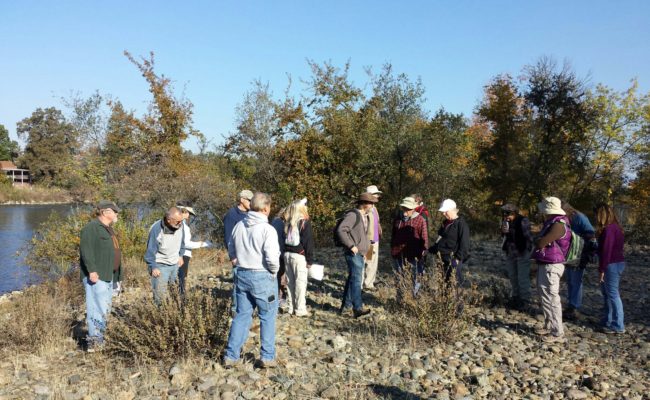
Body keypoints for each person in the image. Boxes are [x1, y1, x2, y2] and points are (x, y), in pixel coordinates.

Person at [223, 192, 280, 368]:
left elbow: (231, 247)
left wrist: (236, 260)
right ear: (265, 208)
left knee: (241, 315)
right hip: (262, 274)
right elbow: (272, 257)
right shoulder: (267, 229)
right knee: (267, 316)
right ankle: (267, 356)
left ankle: (231, 356)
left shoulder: (239, 225)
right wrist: (274, 271)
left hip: (242, 273)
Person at [79, 200, 122, 351]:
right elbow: (86, 251)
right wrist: (92, 271)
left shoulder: (108, 229)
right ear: (105, 212)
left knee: (104, 309)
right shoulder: (91, 228)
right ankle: (95, 343)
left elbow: (114, 253)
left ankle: (100, 339)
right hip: (97, 276)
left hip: (108, 275)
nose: (117, 214)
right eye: (114, 211)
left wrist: (117, 278)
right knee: (96, 308)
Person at [532, 196, 570, 343]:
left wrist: (537, 241)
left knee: (552, 297)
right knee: (545, 296)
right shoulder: (554, 223)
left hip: (552, 265)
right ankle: (550, 326)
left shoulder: (558, 225)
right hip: (548, 263)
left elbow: (542, 242)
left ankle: (557, 332)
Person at [336, 192, 376, 318]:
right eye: (371, 203)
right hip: (353, 252)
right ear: (364, 204)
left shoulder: (364, 215)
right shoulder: (353, 215)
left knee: (352, 279)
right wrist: (351, 245)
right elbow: (341, 230)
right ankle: (357, 308)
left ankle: (346, 307)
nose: (373, 205)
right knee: (357, 280)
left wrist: (364, 250)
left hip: (359, 253)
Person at [561, 201, 598, 319]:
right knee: (570, 279)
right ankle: (571, 304)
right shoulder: (566, 219)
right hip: (569, 253)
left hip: (580, 252)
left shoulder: (580, 217)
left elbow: (591, 235)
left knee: (576, 280)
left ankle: (574, 306)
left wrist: (590, 252)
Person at [594, 203, 626, 334]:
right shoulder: (616, 227)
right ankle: (607, 320)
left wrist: (602, 269)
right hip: (617, 262)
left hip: (611, 264)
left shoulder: (609, 229)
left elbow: (607, 251)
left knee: (612, 294)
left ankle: (618, 325)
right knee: (607, 294)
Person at [144, 206, 186, 305]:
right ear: (168, 220)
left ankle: (176, 314)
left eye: (181, 221)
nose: (180, 223)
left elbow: (182, 242)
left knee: (176, 292)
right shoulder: (156, 229)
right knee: (159, 296)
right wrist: (153, 267)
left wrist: (180, 255)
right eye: (177, 221)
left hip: (175, 263)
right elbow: (150, 251)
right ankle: (159, 317)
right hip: (160, 265)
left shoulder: (180, 225)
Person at [391, 196, 429, 297]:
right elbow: (393, 235)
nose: (405, 211)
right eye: (404, 208)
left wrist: (424, 250)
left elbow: (424, 236)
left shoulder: (420, 220)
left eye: (407, 209)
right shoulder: (398, 219)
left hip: (413, 254)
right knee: (399, 277)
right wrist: (392, 248)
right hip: (398, 253)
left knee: (413, 277)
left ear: (413, 209)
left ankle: (411, 299)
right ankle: (400, 300)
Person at [283, 199, 315, 317]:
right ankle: (300, 309)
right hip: (299, 256)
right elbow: (308, 242)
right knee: (300, 283)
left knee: (290, 282)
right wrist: (310, 259)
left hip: (287, 254)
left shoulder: (288, 222)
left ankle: (290, 308)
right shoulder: (304, 222)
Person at [224, 189, 254, 313]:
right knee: (238, 285)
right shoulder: (231, 215)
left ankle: (248, 308)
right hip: (238, 256)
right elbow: (228, 237)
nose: (251, 203)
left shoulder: (250, 214)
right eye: (249, 200)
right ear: (242, 200)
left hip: (250, 256)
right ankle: (236, 310)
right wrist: (233, 257)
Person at [500, 203, 534, 310]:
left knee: (522, 277)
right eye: (504, 213)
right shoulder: (505, 221)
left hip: (522, 252)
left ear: (514, 213)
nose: (506, 215)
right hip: (510, 252)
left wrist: (528, 251)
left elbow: (528, 237)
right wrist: (503, 231)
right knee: (512, 275)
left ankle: (525, 300)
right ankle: (515, 296)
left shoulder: (523, 220)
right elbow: (505, 236)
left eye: (508, 213)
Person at [429, 199, 470, 285]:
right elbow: (439, 239)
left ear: (452, 210)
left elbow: (464, 245)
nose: (443, 214)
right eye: (443, 212)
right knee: (442, 285)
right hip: (441, 258)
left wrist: (457, 259)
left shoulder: (461, 224)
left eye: (445, 211)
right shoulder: (445, 223)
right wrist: (431, 249)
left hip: (453, 260)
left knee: (453, 285)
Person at [176, 203, 210, 295]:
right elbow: (186, 244)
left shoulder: (177, 224)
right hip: (183, 255)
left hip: (178, 254)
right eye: (188, 213)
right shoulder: (183, 226)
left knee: (178, 278)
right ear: (183, 212)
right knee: (181, 278)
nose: (188, 216)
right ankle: (181, 299)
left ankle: (178, 298)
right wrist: (202, 244)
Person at [363, 185, 383, 291]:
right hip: (369, 241)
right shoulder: (366, 209)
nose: (378, 196)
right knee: (368, 262)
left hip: (375, 240)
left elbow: (376, 222)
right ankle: (367, 284)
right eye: (376, 194)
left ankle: (371, 280)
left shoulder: (374, 208)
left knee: (373, 262)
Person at [270, 206, 288, 309]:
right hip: (279, 254)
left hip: (275, 253)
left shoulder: (275, 221)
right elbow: (280, 242)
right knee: (279, 277)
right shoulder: (280, 223)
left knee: (277, 277)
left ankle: (277, 297)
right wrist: (283, 255)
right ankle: (279, 298)